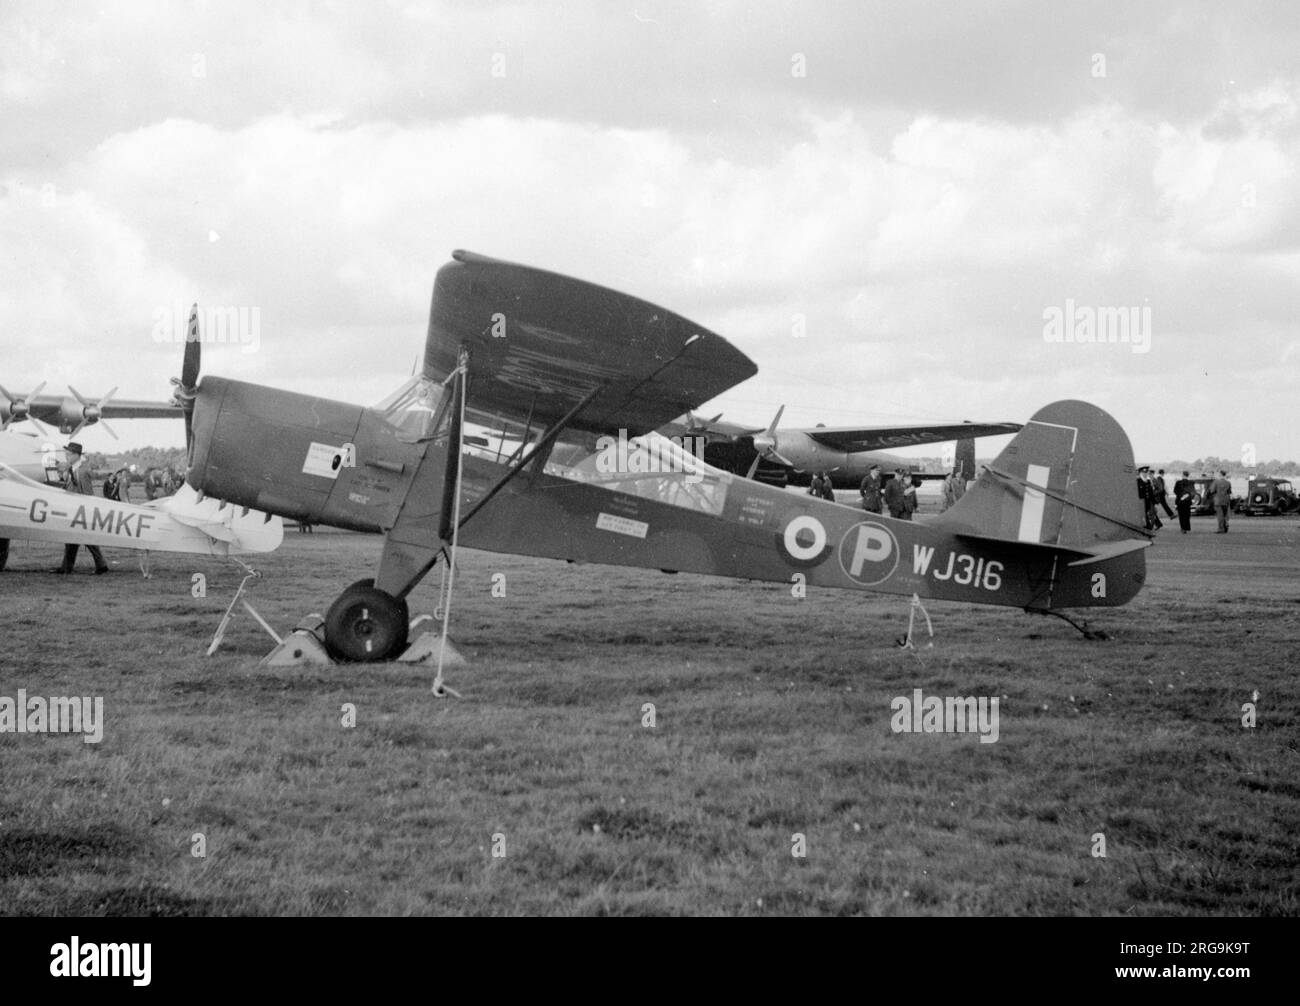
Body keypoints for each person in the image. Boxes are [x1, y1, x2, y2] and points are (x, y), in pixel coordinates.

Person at [53, 442, 109, 574]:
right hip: (74, 510)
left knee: (85, 538)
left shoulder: (82, 471)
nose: (66, 457)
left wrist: (88, 511)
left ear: (77, 455)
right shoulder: (72, 469)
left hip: (80, 511)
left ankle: (100, 565)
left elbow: (88, 493)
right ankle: (68, 567)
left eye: (68, 454)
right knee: (73, 540)